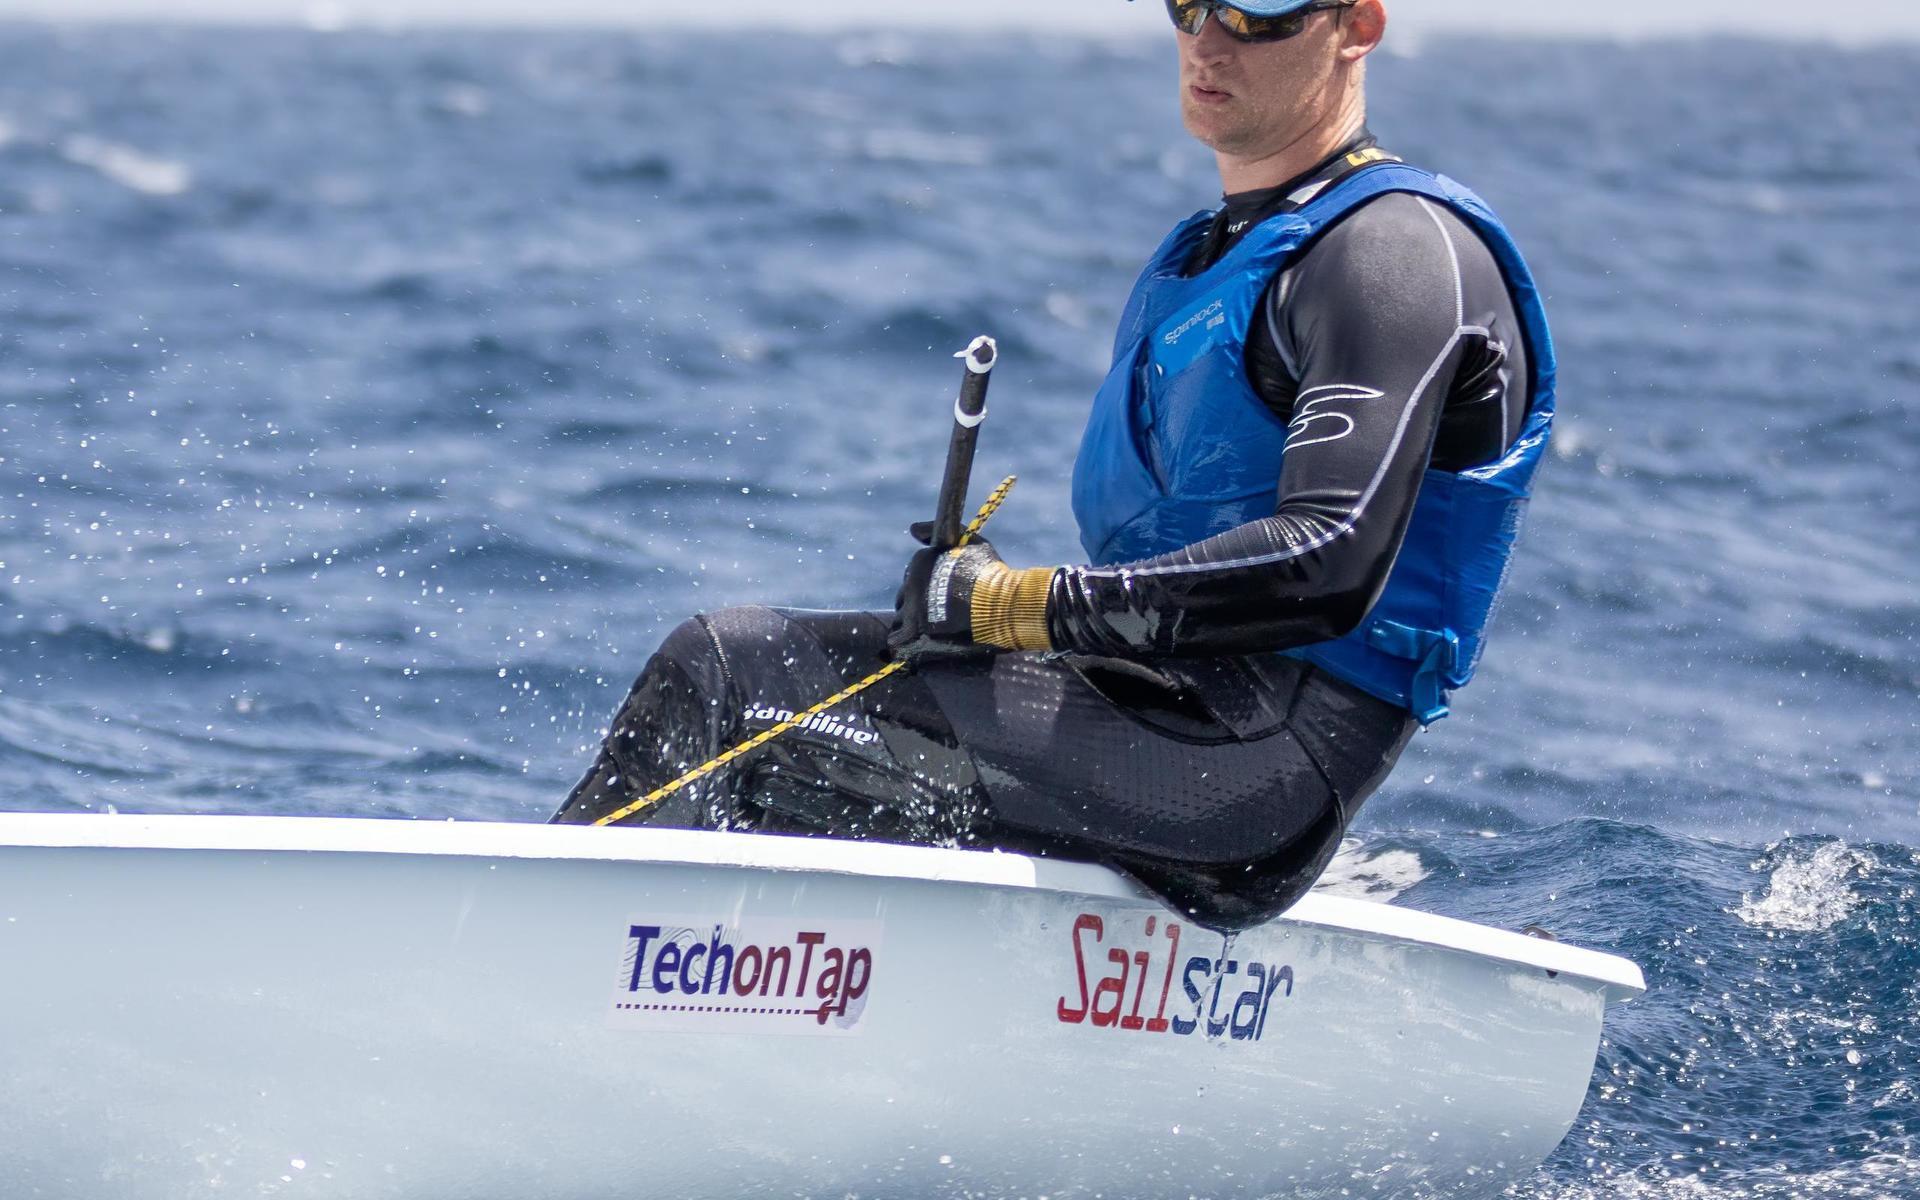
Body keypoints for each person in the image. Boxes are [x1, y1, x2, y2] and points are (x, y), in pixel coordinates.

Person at [552, 0, 1555, 930]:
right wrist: (977, 613)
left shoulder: (1394, 254)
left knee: (729, 674)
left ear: (1357, 24)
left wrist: (1016, 606)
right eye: (1189, 4)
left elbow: (1327, 558)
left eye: (1257, 10)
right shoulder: (1212, 256)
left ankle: (543, 953)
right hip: (1155, 719)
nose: (1211, 38)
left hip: (1254, 778)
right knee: (799, 731)